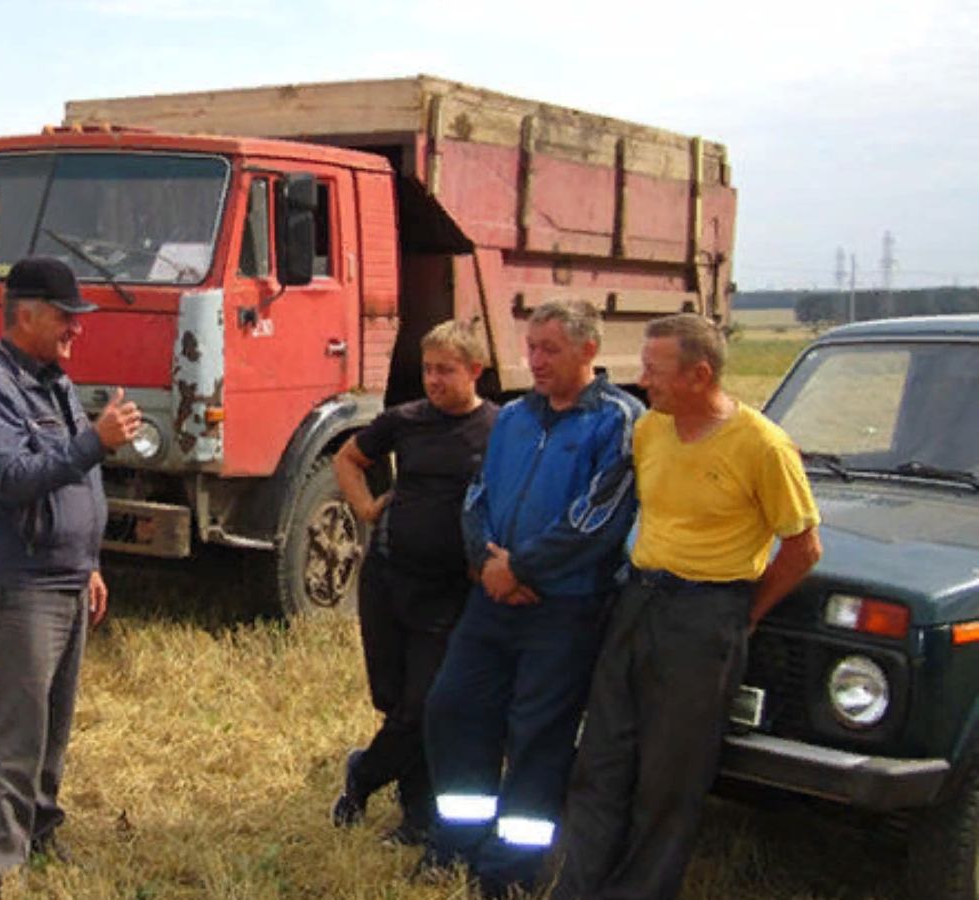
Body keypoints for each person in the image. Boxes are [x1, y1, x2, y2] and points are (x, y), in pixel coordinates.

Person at [552, 313, 821, 900]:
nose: (644, 381)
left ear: (701, 375)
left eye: (657, 371)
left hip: (706, 619)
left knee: (669, 779)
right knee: (602, 757)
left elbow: (803, 549)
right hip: (638, 602)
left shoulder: (763, 446)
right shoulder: (651, 430)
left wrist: (745, 613)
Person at [418, 300, 643, 898]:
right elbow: (478, 495)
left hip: (565, 609)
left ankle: (509, 869)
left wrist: (521, 567)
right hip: (492, 600)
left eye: (550, 350)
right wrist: (490, 565)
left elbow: (599, 519)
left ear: (588, 351)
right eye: (531, 347)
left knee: (537, 736)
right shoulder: (515, 416)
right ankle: (456, 843)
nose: (535, 361)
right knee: (453, 709)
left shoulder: (620, 420)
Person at [0, 256, 144, 900]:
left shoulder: (54, 384)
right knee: (17, 731)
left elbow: (77, 482)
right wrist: (95, 440)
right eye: (67, 317)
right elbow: (13, 481)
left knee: (54, 728)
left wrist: (89, 563)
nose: (77, 330)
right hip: (24, 586)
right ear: (27, 314)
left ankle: (40, 835)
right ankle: (0, 872)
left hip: (66, 578)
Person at [330, 321, 500, 846]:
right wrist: (363, 506)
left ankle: (365, 776)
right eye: (428, 369)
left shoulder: (499, 427)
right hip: (387, 579)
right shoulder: (404, 420)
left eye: (445, 370)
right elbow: (348, 458)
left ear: (475, 371)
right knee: (394, 701)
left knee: (425, 705)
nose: (433, 380)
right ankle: (414, 813)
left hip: (448, 589)